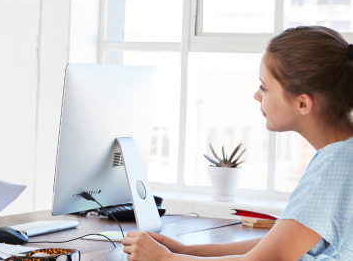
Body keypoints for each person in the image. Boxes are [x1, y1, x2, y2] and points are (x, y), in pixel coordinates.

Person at [122, 26, 353, 261]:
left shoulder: (333, 165)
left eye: (264, 87)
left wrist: (165, 259)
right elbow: (280, 245)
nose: (256, 95)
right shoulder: (344, 155)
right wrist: (186, 251)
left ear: (303, 104)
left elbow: (266, 260)